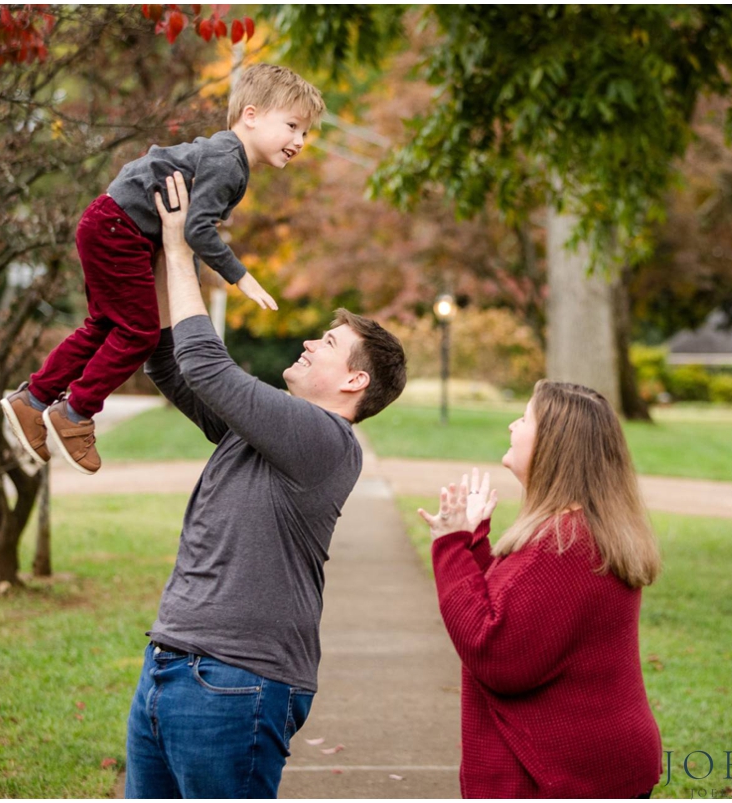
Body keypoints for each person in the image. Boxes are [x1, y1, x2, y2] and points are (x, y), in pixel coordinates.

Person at [123, 171, 406, 798]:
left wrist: (179, 245)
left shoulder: (323, 440)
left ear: (355, 382)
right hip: (170, 663)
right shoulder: (262, 432)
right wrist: (147, 253)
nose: (309, 342)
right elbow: (171, 363)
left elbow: (206, 363)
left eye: (328, 343)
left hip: (235, 683)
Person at [1, 63, 323, 475]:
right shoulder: (229, 161)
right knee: (139, 335)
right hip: (120, 230)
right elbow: (196, 229)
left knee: (104, 326)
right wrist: (239, 276)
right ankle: (76, 414)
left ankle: (33, 401)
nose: (299, 140)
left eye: (305, 133)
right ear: (252, 115)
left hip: (109, 222)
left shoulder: (225, 156)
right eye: (292, 125)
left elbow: (183, 223)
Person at [418, 380, 663, 798]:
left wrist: (452, 547)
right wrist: (474, 541)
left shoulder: (564, 545)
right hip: (588, 765)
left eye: (526, 417)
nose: (513, 424)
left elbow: (496, 655)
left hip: (563, 776)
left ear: (554, 444)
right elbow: (513, 615)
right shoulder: (576, 531)